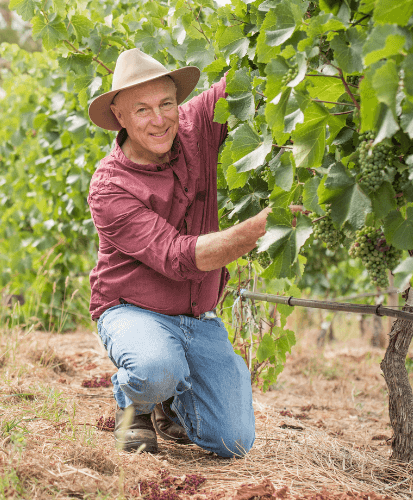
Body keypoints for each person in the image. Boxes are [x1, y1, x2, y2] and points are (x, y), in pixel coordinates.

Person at [86, 48, 303, 457]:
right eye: (143, 109)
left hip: (197, 319)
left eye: (167, 103)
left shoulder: (197, 124)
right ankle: (138, 401)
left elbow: (248, 74)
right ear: (120, 117)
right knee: (155, 368)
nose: (160, 119)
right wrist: (259, 227)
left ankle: (171, 398)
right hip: (133, 311)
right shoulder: (109, 186)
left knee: (233, 442)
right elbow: (178, 257)